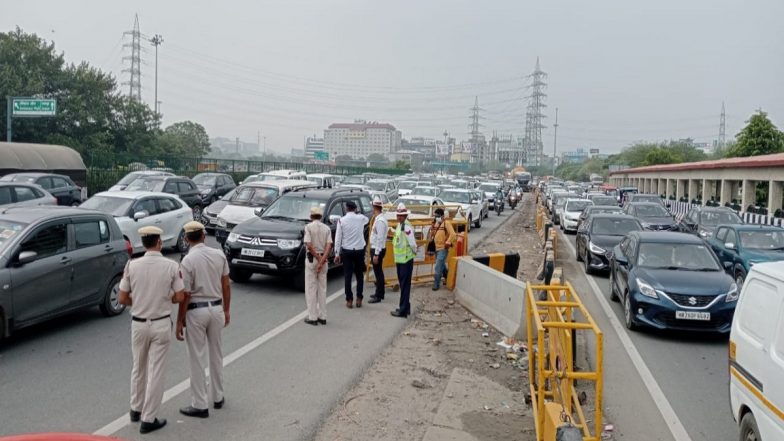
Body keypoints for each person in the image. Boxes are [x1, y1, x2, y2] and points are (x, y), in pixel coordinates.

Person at [118, 226, 186, 434]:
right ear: (159, 242)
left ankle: (135, 409)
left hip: (138, 322)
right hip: (160, 323)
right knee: (156, 371)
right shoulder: (171, 266)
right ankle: (149, 418)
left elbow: (122, 298)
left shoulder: (132, 265)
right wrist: (165, 299)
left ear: (143, 243)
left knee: (138, 367)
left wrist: (139, 302)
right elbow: (181, 296)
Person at [176, 221, 231, 419]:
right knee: (216, 354)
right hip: (216, 307)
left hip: (196, 312)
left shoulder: (188, 261)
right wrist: (226, 310)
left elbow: (186, 294)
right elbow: (226, 286)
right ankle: (218, 396)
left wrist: (180, 320)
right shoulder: (218, 254)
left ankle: (200, 403)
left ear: (187, 238)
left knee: (197, 358)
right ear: (203, 235)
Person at [334, 200, 369, 308]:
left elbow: (338, 238)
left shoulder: (341, 220)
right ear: (355, 208)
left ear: (346, 208)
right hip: (359, 249)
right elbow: (367, 219)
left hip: (347, 250)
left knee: (348, 276)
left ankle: (349, 299)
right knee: (359, 275)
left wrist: (336, 253)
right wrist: (357, 213)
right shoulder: (361, 218)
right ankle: (359, 298)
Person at [303, 206, 333, 325]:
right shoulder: (326, 228)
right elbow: (329, 246)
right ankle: (323, 316)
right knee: (322, 289)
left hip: (312, 260)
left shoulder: (309, 227)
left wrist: (318, 259)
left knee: (311, 289)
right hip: (323, 260)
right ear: (321, 216)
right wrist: (322, 260)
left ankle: (313, 317)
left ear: (311, 216)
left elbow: (309, 245)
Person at [391, 203, 418, 318]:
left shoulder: (406, 226)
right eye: (398, 215)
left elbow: (412, 243)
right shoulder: (400, 225)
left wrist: (414, 252)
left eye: (401, 215)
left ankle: (402, 310)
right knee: (404, 285)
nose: (399, 217)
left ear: (405, 215)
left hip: (406, 260)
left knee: (405, 285)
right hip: (401, 260)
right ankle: (405, 307)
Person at [368, 196, 389, 304]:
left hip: (377, 249)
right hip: (377, 248)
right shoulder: (378, 218)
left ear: (374, 207)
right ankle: (379, 293)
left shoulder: (380, 221)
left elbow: (380, 238)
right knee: (378, 272)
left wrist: (376, 254)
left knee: (378, 273)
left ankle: (379, 295)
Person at [429, 208, 456, 291]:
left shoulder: (446, 223)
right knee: (441, 264)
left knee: (438, 266)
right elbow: (432, 235)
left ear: (442, 216)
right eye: (435, 216)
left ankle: (436, 283)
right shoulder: (436, 224)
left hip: (443, 248)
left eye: (437, 216)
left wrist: (448, 242)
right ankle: (447, 276)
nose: (436, 218)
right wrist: (432, 227)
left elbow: (453, 234)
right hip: (436, 248)